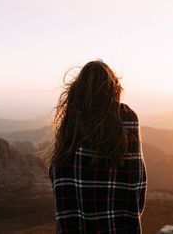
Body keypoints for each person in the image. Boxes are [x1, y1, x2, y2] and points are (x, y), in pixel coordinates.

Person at [46, 59, 147, 233]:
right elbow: (138, 181)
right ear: (114, 88)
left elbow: (58, 180)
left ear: (77, 90)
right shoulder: (127, 119)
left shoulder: (70, 126)